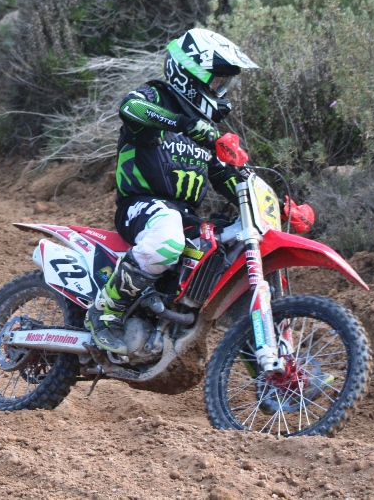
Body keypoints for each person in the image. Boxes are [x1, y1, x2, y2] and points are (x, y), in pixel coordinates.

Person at [85, 28, 259, 354]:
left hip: (185, 217)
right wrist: (182, 123)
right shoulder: (157, 98)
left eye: (225, 82)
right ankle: (105, 310)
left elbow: (224, 177)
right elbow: (130, 107)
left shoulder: (207, 131)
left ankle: (267, 364)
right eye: (217, 80)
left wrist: (277, 203)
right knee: (168, 236)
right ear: (189, 75)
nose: (221, 89)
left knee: (228, 255)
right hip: (141, 207)